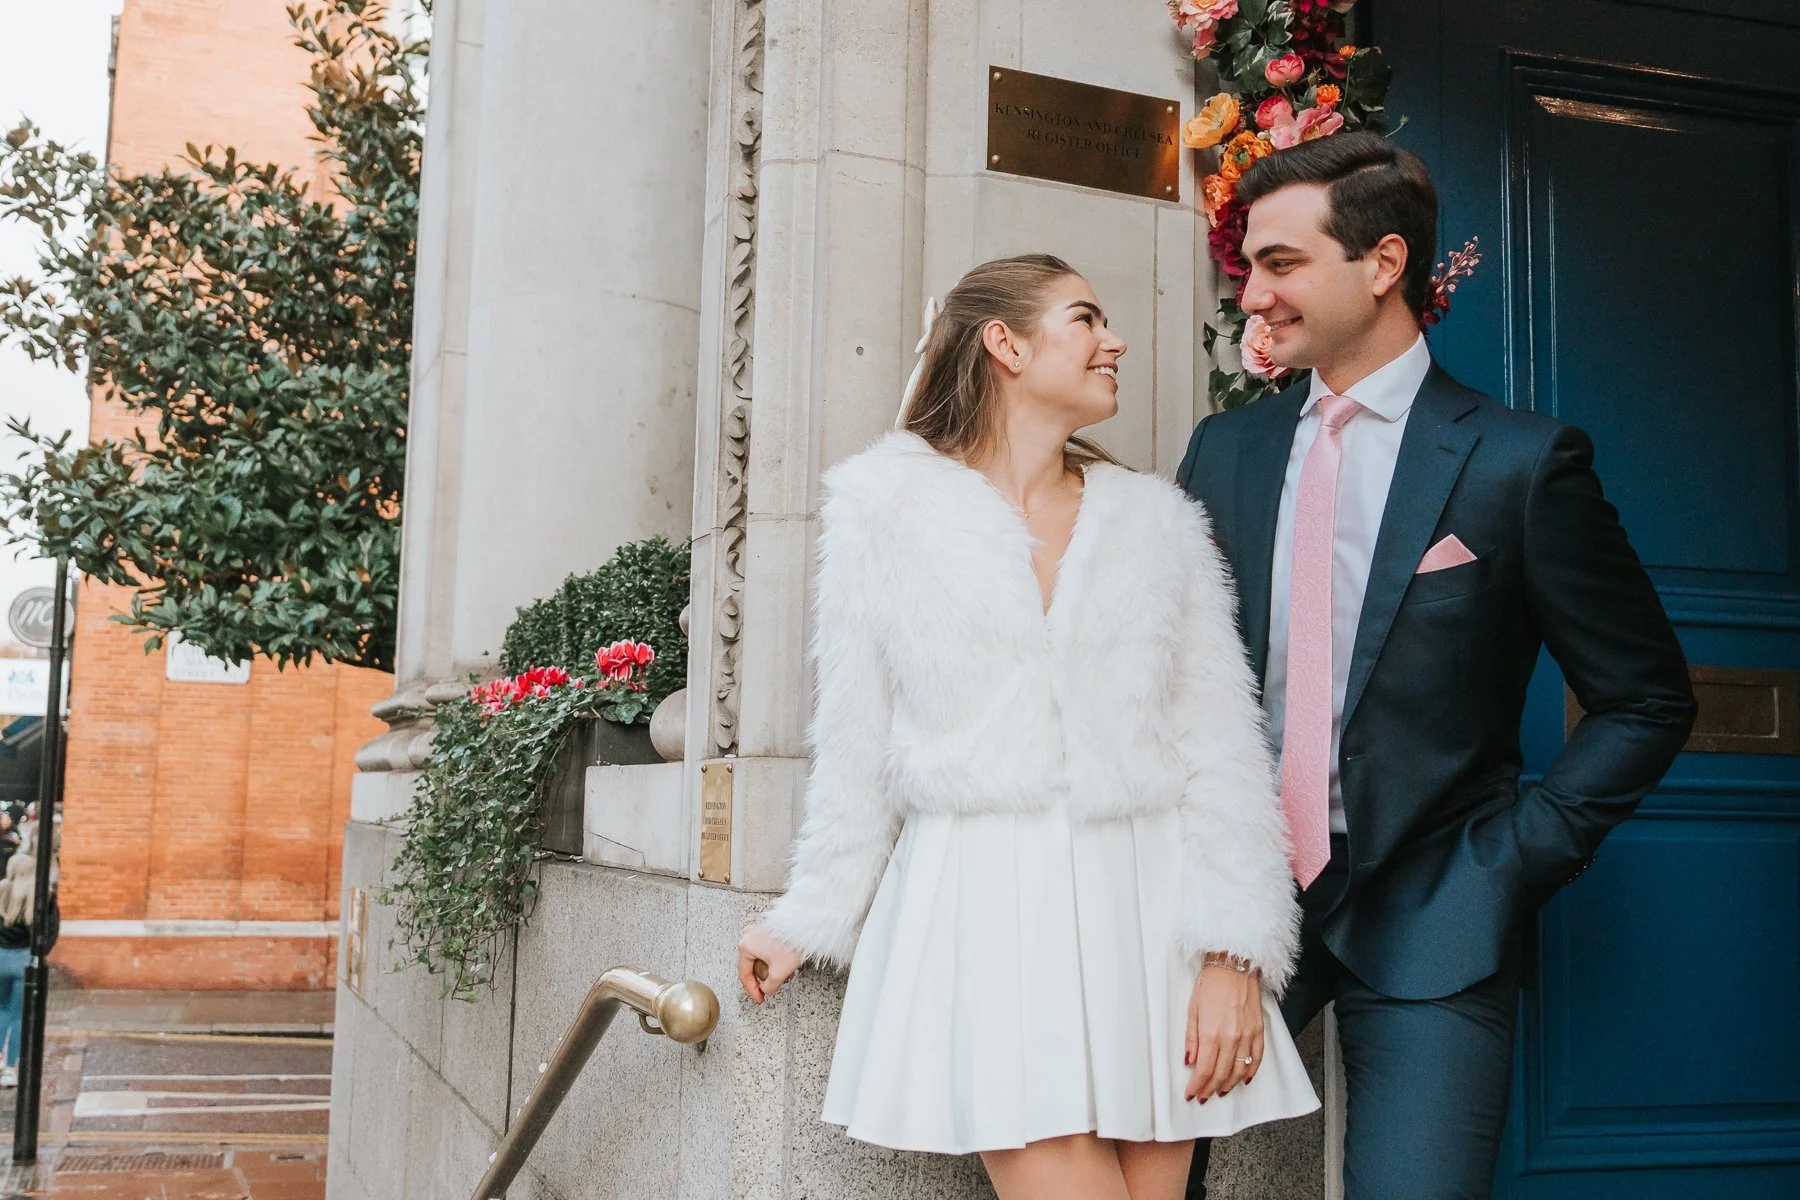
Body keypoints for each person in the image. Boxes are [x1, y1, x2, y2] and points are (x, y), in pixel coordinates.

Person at [1178, 132, 1696, 1199]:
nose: (1255, 293)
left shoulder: (1519, 462)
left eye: (1281, 263)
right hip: (1234, 904)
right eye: (1249, 266)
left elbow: (1646, 697)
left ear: (1382, 265)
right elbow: (1177, 683)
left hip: (1438, 906)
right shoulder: (1223, 450)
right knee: (1122, 1168)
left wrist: (1510, 857)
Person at [736, 254, 1319, 1199]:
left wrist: (1234, 953)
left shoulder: (1155, 520)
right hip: (988, 898)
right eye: (1085, 318)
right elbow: (855, 743)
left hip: (1150, 905)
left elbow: (1221, 748)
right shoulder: (884, 510)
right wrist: (811, 917)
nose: (1114, 339)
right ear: (1004, 344)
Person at [0, 851, 56, 1089]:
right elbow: (50, 931)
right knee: (18, 1016)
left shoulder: (1, 891)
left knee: (1, 1011)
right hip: (23, 958)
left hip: (0, 957)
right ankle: (10, 1069)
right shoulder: (40, 896)